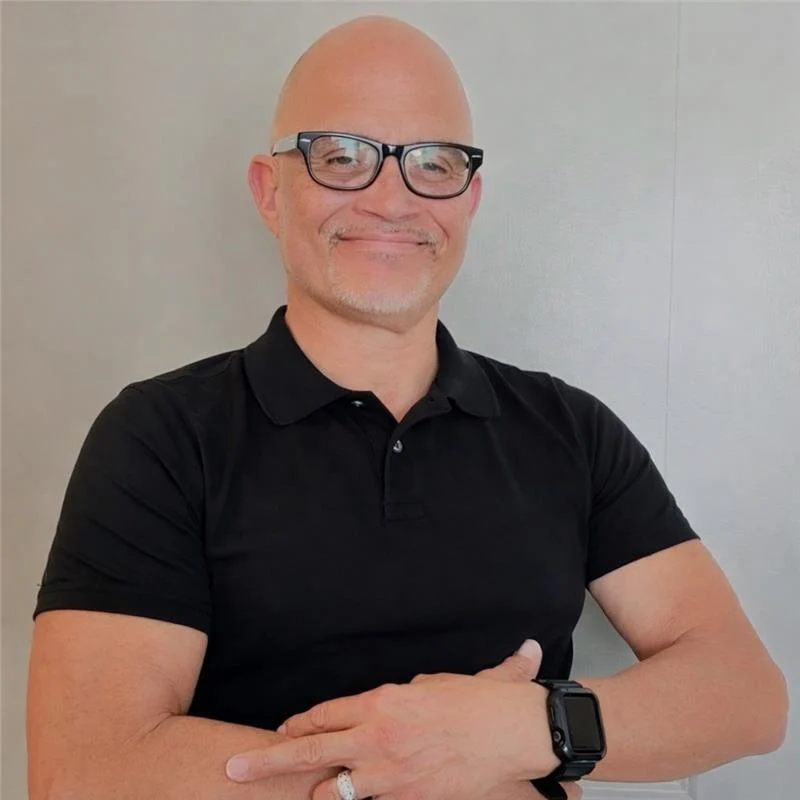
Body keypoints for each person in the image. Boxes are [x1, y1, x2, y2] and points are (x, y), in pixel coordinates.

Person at [27, 14, 787, 800]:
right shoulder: (159, 438)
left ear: (470, 197)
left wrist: (525, 730)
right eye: (342, 156)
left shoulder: (571, 430)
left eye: (434, 163)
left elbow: (745, 695)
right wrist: (434, 773)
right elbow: (84, 769)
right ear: (269, 190)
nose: (391, 199)